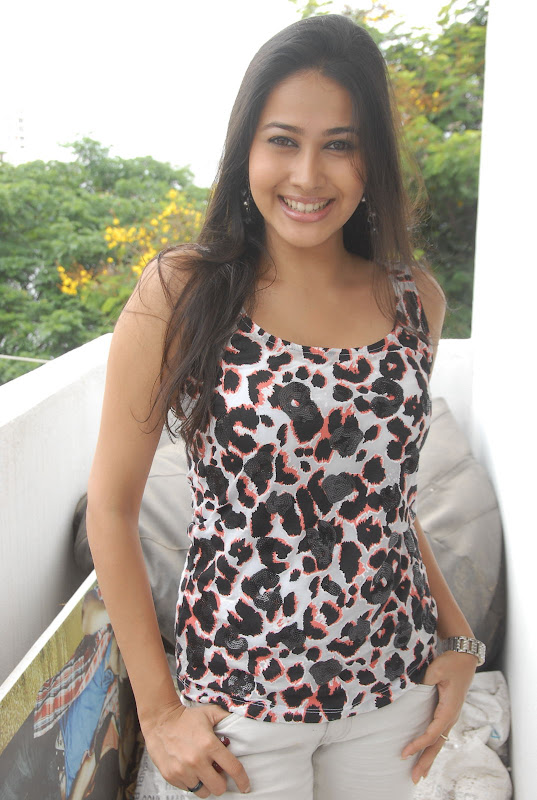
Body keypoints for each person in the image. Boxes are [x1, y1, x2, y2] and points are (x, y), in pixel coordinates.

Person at [86, 13, 485, 800]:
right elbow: (110, 508)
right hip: (239, 705)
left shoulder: (415, 301)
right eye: (282, 141)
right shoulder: (183, 292)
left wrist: (458, 639)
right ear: (246, 150)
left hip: (391, 689)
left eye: (339, 144)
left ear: (372, 159)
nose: (307, 175)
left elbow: (384, 501)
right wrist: (158, 711)